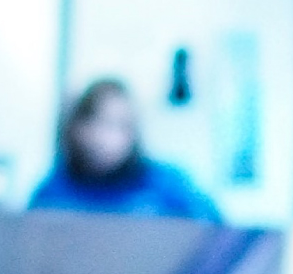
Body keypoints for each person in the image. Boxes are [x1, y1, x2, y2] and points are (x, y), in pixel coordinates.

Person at [26, 81, 219, 220]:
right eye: (96, 122)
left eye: (118, 125)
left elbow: (220, 234)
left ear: (133, 133)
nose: (104, 138)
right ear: (76, 128)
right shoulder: (53, 192)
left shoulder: (170, 185)